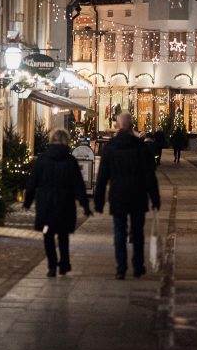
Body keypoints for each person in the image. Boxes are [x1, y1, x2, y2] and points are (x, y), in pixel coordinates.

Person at [95, 112, 161, 279]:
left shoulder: (110, 147)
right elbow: (149, 175)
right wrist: (155, 198)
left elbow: (102, 176)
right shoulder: (141, 147)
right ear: (131, 126)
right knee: (137, 232)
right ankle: (138, 266)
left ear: (118, 126)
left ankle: (121, 268)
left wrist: (99, 201)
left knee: (119, 231)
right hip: (138, 195)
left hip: (118, 195)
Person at [24, 128, 93, 278]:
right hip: (65, 205)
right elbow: (78, 185)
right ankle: (64, 263)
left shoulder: (42, 159)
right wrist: (85, 205)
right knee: (63, 236)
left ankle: (52, 266)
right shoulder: (70, 161)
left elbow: (32, 182)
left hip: (46, 205)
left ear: (51, 140)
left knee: (47, 235)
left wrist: (27, 201)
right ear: (66, 141)